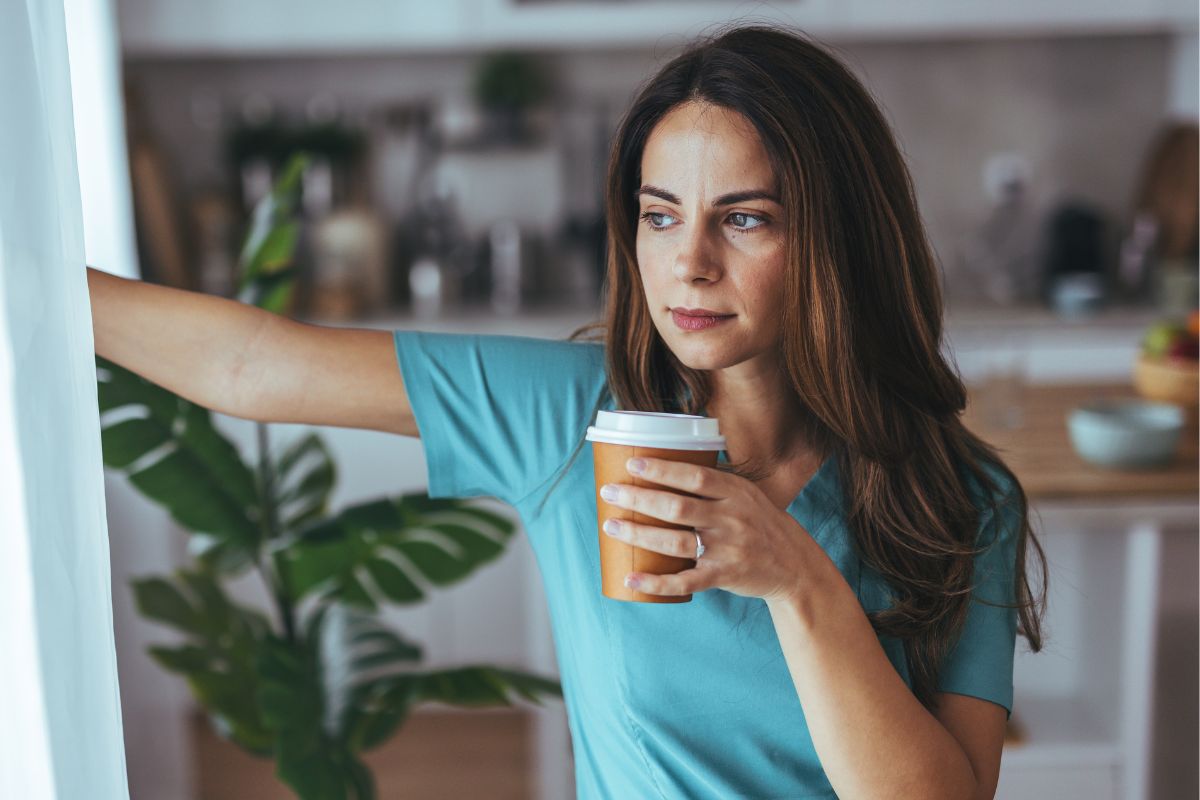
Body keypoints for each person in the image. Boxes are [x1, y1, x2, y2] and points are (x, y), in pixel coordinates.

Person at [89, 24, 1047, 799]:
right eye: (660, 214)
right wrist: (32, 282)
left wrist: (799, 583)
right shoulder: (575, 425)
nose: (690, 262)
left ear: (840, 236)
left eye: (745, 217)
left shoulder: (962, 499)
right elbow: (257, 364)